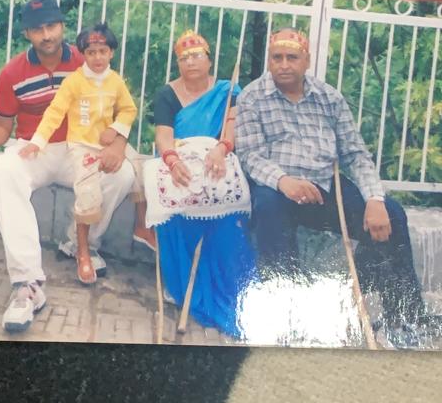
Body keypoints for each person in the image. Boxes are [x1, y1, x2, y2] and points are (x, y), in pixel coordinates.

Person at [234, 27, 439, 348]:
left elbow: (355, 154)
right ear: (269, 60)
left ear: (306, 60)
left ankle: (404, 317)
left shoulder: (328, 97)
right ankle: (287, 315)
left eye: (292, 57)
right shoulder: (252, 97)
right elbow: (250, 155)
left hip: (324, 185)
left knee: (392, 215)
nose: (284, 64)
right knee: (268, 210)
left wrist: (374, 199)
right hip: (277, 187)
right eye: (277, 57)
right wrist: (285, 182)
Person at [0, 0, 136, 333]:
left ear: (62, 26)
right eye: (37, 29)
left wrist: (119, 143)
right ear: (27, 34)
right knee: (3, 171)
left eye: (51, 26)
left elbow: (123, 108)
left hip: (82, 147)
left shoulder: (87, 58)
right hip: (35, 148)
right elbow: (3, 126)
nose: (46, 35)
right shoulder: (12, 72)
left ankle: (79, 243)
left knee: (123, 174)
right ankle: (27, 283)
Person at [143, 30, 257, 339]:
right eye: (184, 58)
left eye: (196, 56)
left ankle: (233, 288)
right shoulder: (167, 93)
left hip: (217, 156)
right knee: (173, 203)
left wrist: (221, 149)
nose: (191, 62)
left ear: (209, 60)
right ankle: (180, 283)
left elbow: (231, 130)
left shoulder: (228, 91)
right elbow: (164, 136)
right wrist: (172, 160)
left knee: (227, 209)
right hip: (179, 157)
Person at [19, 23, 137, 284]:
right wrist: (37, 142)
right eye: (91, 52)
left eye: (102, 51)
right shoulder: (74, 82)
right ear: (83, 54)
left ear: (111, 52)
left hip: (107, 146)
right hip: (82, 147)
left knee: (131, 173)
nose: (97, 58)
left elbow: (129, 110)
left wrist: (115, 129)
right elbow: (54, 112)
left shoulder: (116, 81)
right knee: (87, 192)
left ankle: (90, 240)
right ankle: (83, 252)